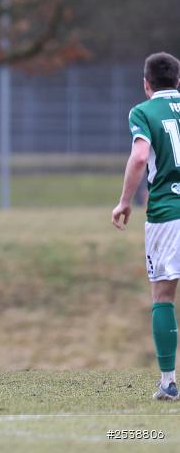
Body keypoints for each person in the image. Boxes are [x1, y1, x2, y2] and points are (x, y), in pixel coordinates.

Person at [112, 52, 180, 401]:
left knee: (164, 296)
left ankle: (168, 383)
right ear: (178, 81)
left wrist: (125, 200)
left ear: (146, 84)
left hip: (168, 213)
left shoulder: (143, 111)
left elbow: (140, 157)